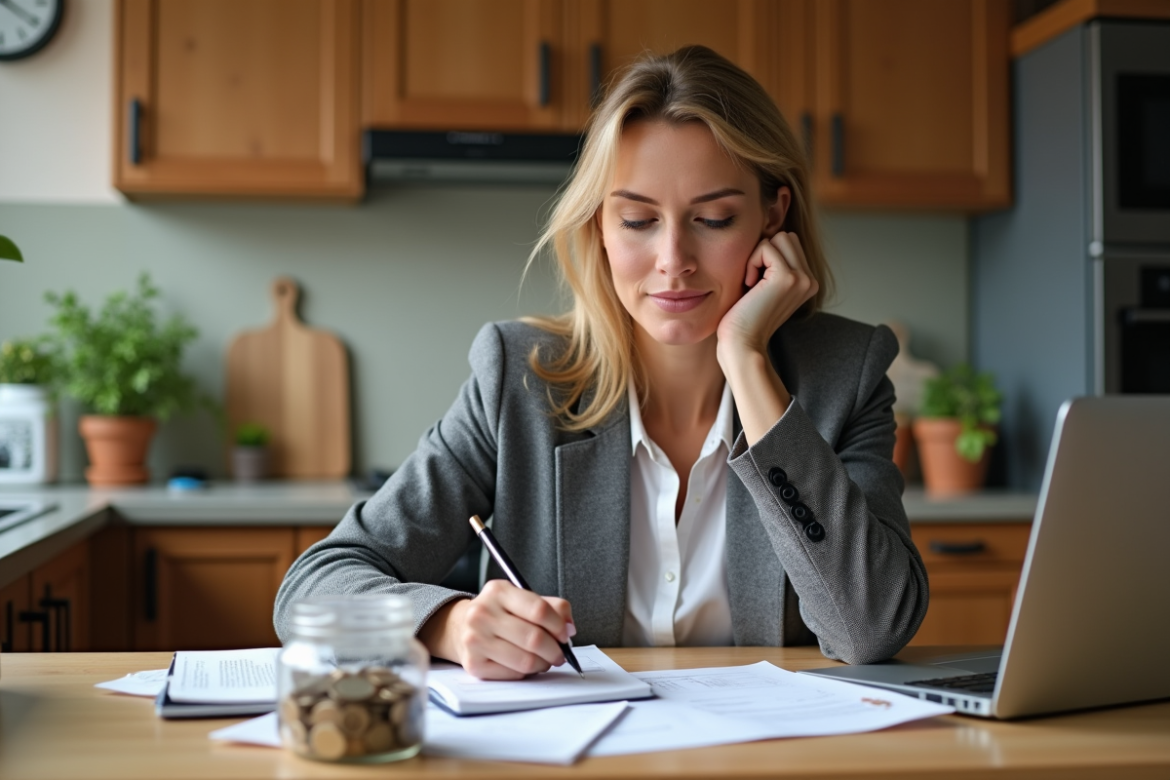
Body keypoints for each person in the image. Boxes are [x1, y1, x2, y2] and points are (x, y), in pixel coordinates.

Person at [275, 46, 928, 679]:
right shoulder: (517, 377)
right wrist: (448, 624)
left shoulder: (847, 374)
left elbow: (871, 628)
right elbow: (313, 587)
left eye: (713, 218)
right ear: (599, 228)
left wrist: (748, 360)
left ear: (772, 217)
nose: (673, 261)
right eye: (638, 221)